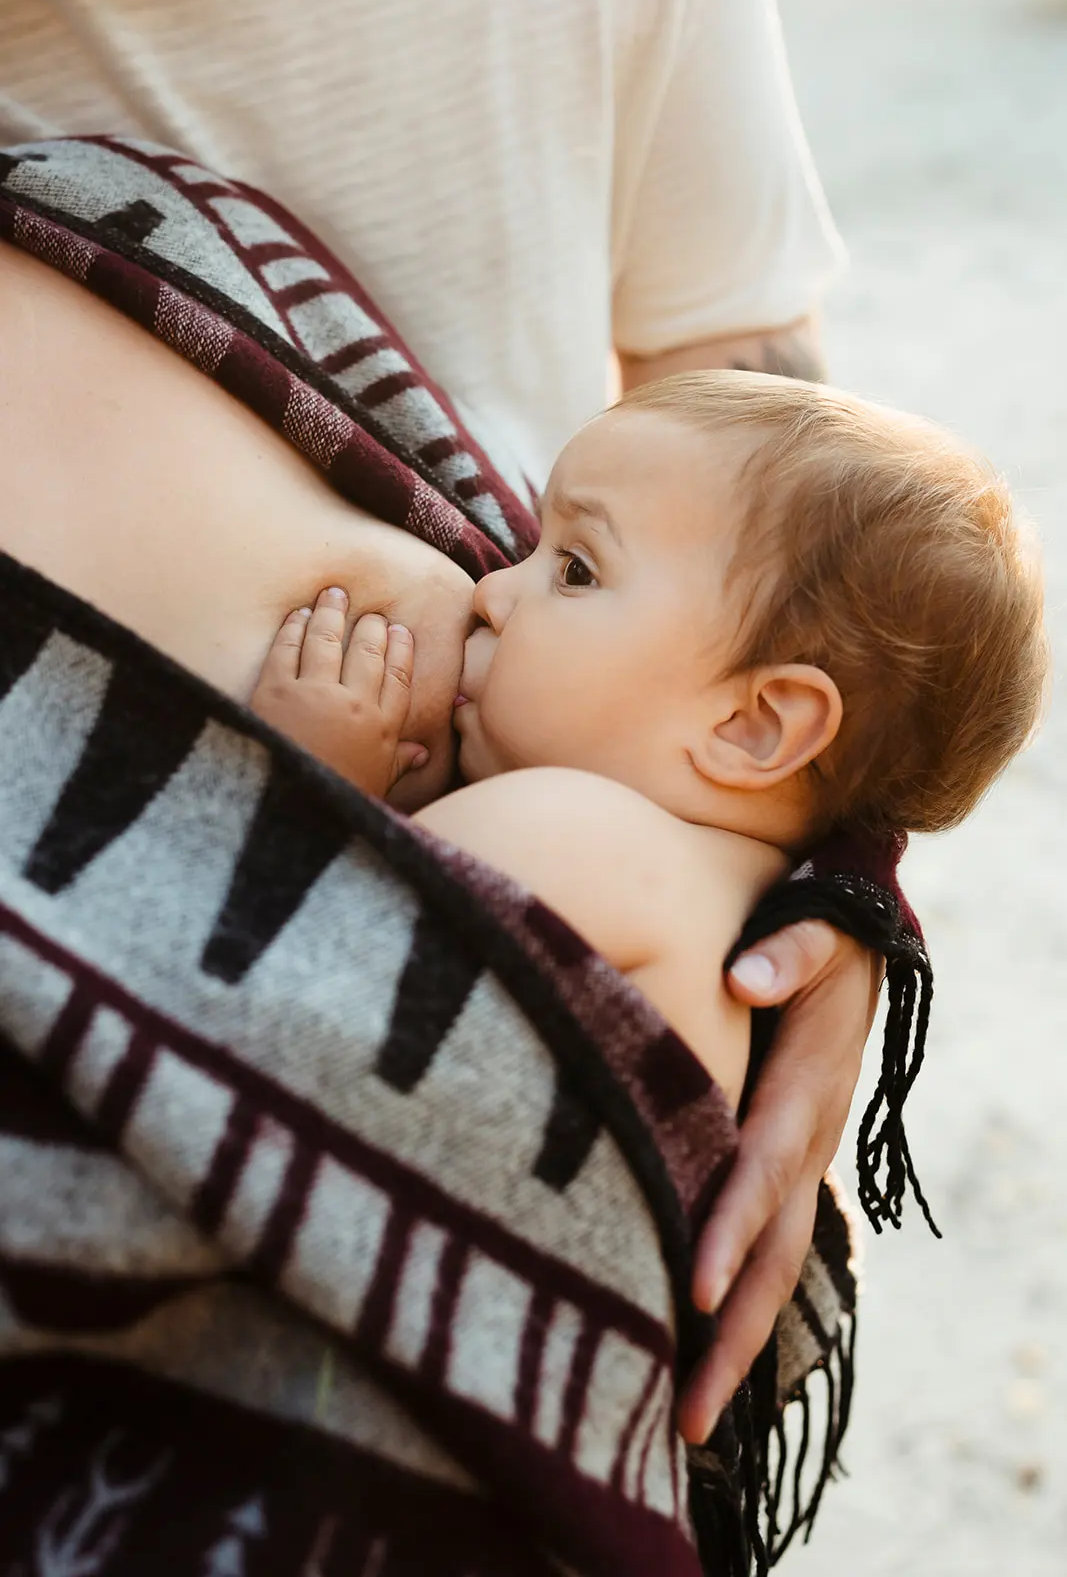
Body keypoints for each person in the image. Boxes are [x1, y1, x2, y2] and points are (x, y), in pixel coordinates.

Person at [0, 0, 875, 1436]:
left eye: (567, 566)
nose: (500, 594)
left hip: (412, 904)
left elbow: (758, 408)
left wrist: (829, 858)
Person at [248, 368, 1046, 1425]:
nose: (491, 590)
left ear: (751, 728)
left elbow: (271, 986)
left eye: (573, 569)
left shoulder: (572, 832)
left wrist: (305, 779)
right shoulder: (725, 899)